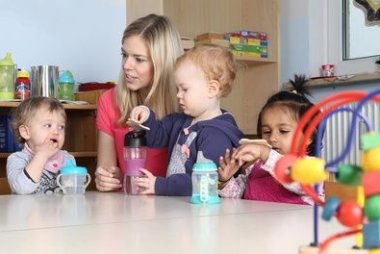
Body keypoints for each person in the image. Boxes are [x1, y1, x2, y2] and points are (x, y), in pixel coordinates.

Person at [129, 44, 244, 196]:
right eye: (178, 89)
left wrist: (159, 185)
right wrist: (146, 117)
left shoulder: (217, 136)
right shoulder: (178, 121)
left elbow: (203, 182)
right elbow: (156, 138)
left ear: (212, 89)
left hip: (203, 211)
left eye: (185, 89)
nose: (178, 95)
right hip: (180, 205)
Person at [94, 14, 184, 192]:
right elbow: (106, 169)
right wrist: (107, 179)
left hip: (176, 209)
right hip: (129, 209)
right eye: (124, 55)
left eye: (139, 59)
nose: (126, 65)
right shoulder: (108, 101)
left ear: (162, 64)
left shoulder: (185, 105)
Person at [218, 75, 321, 204]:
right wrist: (225, 181)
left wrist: (265, 153)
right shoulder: (256, 166)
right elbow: (239, 196)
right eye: (266, 132)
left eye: (283, 131)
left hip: (296, 224)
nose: (272, 138)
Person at [6, 96, 75, 194]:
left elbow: (72, 193)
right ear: (25, 132)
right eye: (48, 125)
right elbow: (22, 188)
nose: (56, 131)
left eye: (61, 127)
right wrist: (42, 155)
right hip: (28, 209)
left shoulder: (68, 158)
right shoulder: (17, 159)